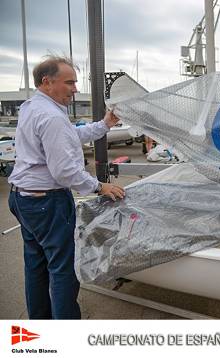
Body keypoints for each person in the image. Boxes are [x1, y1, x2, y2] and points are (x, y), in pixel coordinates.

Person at [8, 55, 125, 319]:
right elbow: (64, 172)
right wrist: (99, 186)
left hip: (22, 199)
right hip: (46, 203)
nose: (75, 89)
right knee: (63, 269)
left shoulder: (32, 107)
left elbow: (72, 135)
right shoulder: (51, 116)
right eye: (69, 83)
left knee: (36, 265)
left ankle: (40, 323)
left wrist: (105, 125)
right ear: (47, 82)